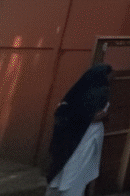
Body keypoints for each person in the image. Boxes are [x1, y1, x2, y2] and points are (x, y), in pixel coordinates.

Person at [46, 64, 112, 196]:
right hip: (85, 137)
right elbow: (95, 116)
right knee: (75, 173)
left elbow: (61, 110)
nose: (111, 79)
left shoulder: (76, 91)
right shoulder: (100, 92)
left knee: (62, 172)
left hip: (69, 138)